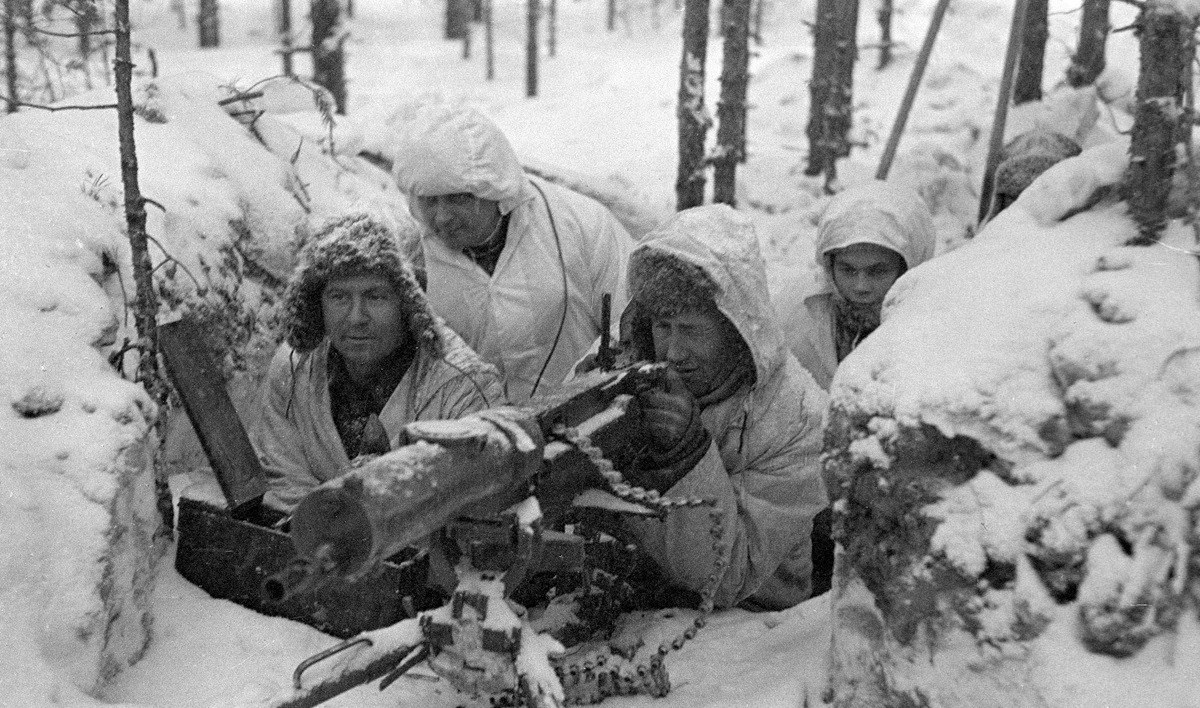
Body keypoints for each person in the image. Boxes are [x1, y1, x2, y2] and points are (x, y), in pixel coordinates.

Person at [612, 204, 829, 610]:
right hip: (631, 603)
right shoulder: (623, 367)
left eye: (692, 331)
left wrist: (688, 455)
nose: (674, 352)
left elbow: (731, 577)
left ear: (735, 329)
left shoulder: (796, 418)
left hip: (752, 625)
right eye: (663, 327)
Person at [250, 213, 504, 512]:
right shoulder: (294, 368)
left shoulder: (460, 388)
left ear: (409, 303)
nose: (356, 318)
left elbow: (477, 506)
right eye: (339, 297)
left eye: (376, 296)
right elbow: (282, 482)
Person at [390, 105, 635, 402]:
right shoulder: (410, 254)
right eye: (429, 201)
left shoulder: (581, 224)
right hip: (470, 435)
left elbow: (632, 319)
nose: (442, 218)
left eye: (457, 199)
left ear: (494, 191)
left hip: (583, 417)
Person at [774, 181, 936, 391]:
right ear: (829, 266)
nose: (861, 287)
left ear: (908, 268)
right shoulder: (796, 311)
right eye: (847, 270)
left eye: (878, 271)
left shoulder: (934, 325)